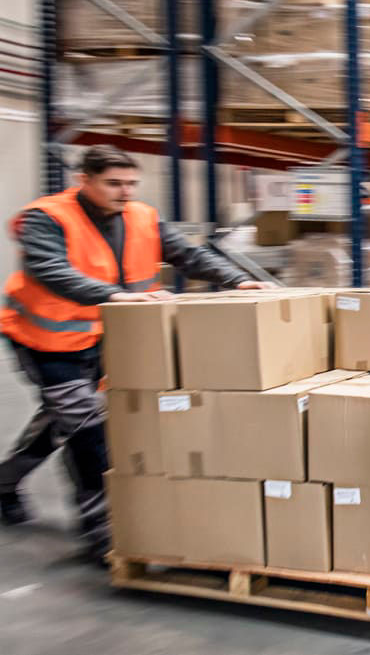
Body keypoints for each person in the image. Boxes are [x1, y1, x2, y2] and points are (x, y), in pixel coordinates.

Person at [0, 145, 274, 559]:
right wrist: (115, 295)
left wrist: (236, 280)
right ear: (84, 179)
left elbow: (188, 255)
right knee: (88, 429)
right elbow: (50, 269)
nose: (125, 192)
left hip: (104, 337)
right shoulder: (47, 217)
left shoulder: (143, 217)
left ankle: (4, 483)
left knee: (61, 422)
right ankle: (104, 531)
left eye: (131, 183)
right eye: (114, 183)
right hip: (46, 340)